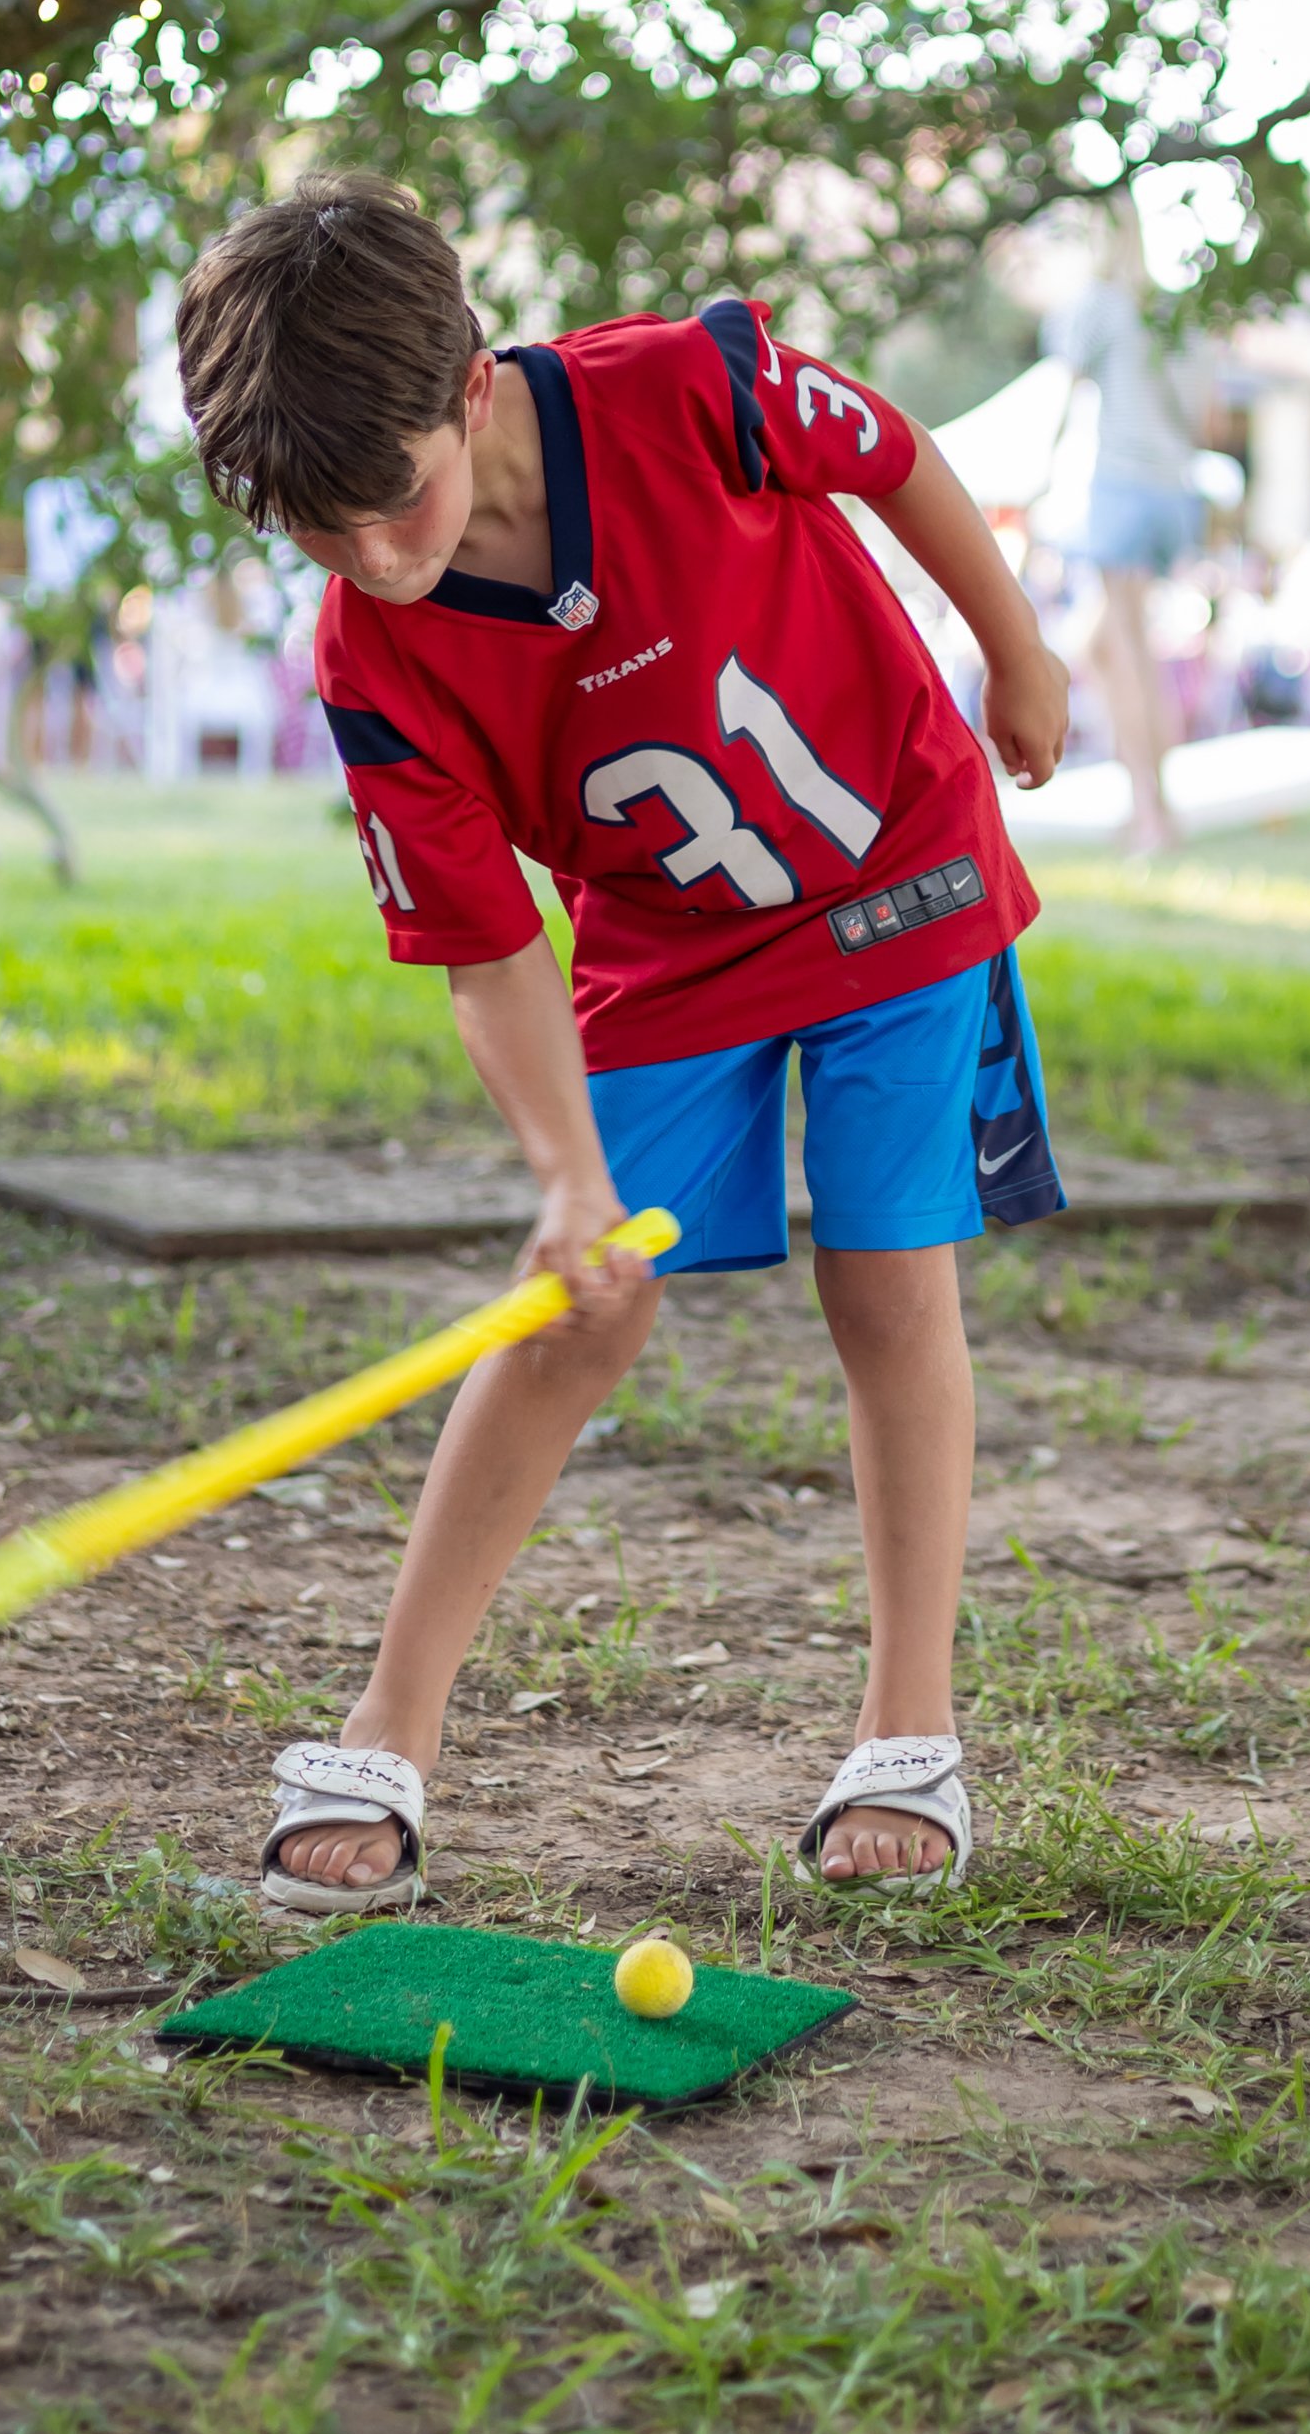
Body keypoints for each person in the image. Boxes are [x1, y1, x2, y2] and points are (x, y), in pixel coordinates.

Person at [174, 177, 1071, 1913]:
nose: (371, 550)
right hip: (664, 949)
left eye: (394, 498)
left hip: (900, 873)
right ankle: (388, 1720)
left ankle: (907, 1726)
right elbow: (486, 944)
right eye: (317, 528)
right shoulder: (370, 653)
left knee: (886, 1279)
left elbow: (884, 451)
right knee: (572, 1302)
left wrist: (1011, 644)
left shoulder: (685, 388)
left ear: (472, 389)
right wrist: (562, 1173)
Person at [1040, 203, 1204, 855]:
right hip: (1174, 488)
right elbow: (1200, 411)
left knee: (1132, 652)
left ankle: (1152, 818)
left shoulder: (1103, 304)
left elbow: (1063, 390)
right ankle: (1146, 802)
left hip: (1123, 485)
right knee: (1105, 646)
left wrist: (1040, 478)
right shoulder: (1172, 313)